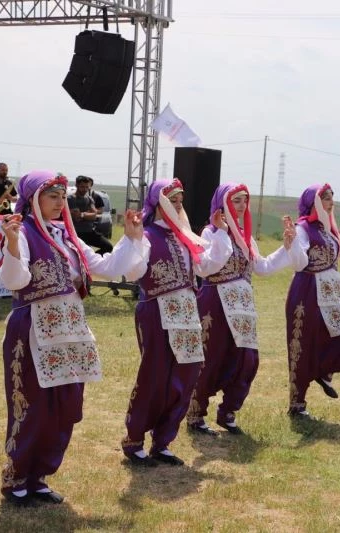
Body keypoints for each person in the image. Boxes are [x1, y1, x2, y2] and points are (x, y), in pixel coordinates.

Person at [0, 169, 145, 507]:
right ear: (34, 198)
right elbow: (15, 281)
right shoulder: (23, 232)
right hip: (33, 329)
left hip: (70, 331)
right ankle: (17, 477)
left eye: (62, 197)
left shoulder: (67, 235)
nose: (59, 202)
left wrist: (131, 238)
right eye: (52, 196)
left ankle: (39, 476)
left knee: (65, 407)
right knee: (33, 405)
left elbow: (108, 267)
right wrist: (11, 244)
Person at [121, 178, 223, 466]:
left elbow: (207, 267)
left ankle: (163, 441)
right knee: (155, 375)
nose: (177, 206)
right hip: (157, 311)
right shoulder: (146, 234)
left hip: (187, 314)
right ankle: (134, 440)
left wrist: (222, 234)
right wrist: (134, 240)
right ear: (158, 203)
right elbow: (133, 272)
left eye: (180, 201)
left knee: (187, 373)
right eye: (171, 200)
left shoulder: (185, 236)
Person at [187, 183, 296, 435]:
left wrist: (286, 247)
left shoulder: (246, 236)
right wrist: (223, 233)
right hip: (217, 302)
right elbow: (206, 268)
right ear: (223, 203)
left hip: (243, 307)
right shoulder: (210, 233)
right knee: (213, 357)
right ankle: (196, 412)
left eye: (245, 200)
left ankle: (228, 411)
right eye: (236, 200)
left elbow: (263, 267)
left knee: (247, 360)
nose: (242, 205)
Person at [286, 184, 340, 418]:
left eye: (332, 197)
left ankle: (324, 371)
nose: (331, 202)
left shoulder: (331, 229)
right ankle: (297, 404)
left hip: (334, 293)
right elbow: (300, 263)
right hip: (308, 291)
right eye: (325, 198)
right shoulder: (303, 228)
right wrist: (292, 244)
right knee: (304, 345)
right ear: (313, 202)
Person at [67, 175, 113, 255]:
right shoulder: (71, 199)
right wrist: (88, 214)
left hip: (89, 232)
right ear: (76, 185)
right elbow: (77, 217)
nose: (85, 189)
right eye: (82, 187)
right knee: (79, 254)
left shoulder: (89, 199)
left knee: (108, 247)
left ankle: (93, 260)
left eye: (87, 187)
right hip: (76, 233)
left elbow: (94, 215)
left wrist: (83, 214)